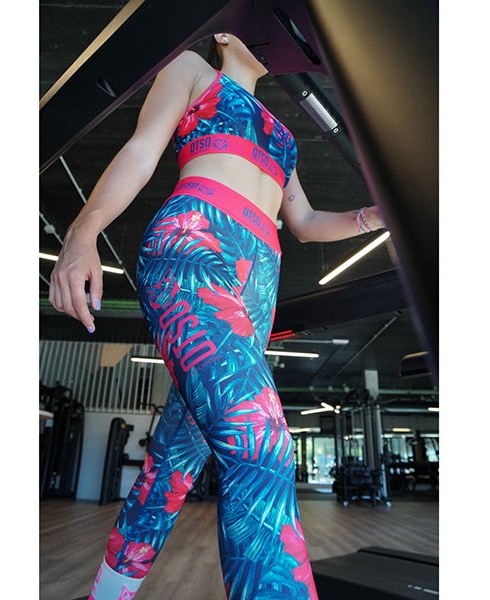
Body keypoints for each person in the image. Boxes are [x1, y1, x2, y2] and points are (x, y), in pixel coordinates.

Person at [49, 33, 384, 600]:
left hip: (257, 288)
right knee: (260, 440)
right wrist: (84, 233)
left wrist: (371, 217)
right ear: (225, 34)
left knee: (171, 468)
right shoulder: (192, 70)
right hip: (195, 250)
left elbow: (303, 222)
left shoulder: (283, 135)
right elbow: (141, 151)